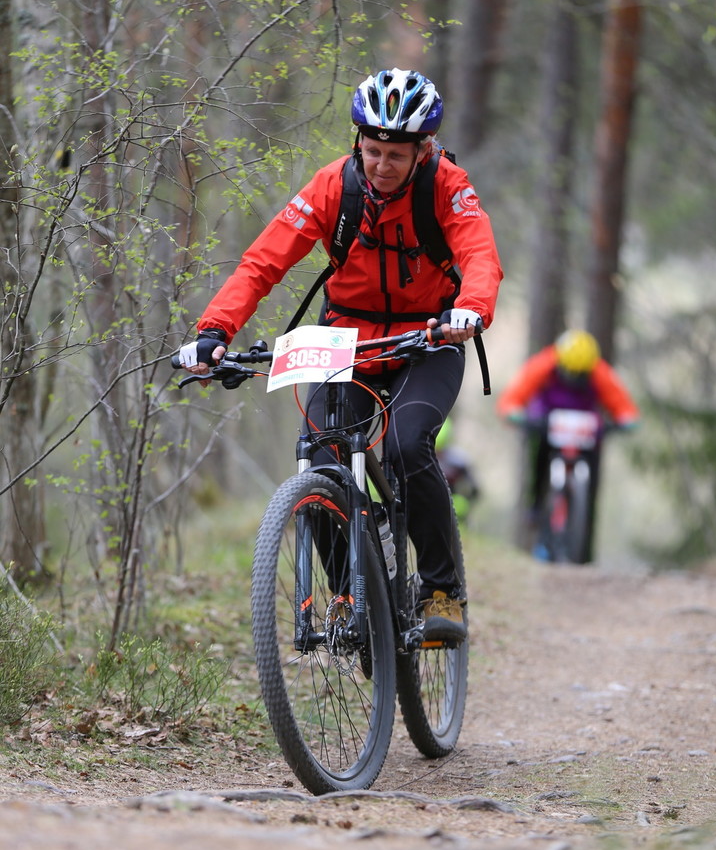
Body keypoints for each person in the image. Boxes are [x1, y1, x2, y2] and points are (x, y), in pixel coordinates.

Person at [178, 67, 503, 640]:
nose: (382, 165)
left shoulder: (447, 186)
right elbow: (263, 262)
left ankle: (441, 590)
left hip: (427, 338)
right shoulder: (335, 186)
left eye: (396, 155)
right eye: (373, 150)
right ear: (358, 143)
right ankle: (350, 597)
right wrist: (214, 332)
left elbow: (479, 254)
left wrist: (470, 308)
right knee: (323, 461)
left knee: (405, 447)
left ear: (423, 150)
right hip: (344, 341)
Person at [497, 329, 639, 559]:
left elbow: (622, 403)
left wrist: (625, 421)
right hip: (547, 419)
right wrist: (515, 413)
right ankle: (536, 505)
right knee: (540, 454)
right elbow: (514, 395)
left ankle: (580, 526)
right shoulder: (544, 364)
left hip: (584, 428)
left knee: (592, 465)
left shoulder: (599, 371)